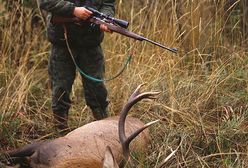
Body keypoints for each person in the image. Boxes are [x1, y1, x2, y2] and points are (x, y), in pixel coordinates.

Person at [39, 0, 115, 130]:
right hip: (62, 41)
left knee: (96, 87)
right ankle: (60, 129)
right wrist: (73, 10)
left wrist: (105, 18)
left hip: (90, 43)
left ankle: (104, 127)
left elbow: (108, 4)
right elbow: (46, 2)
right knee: (60, 87)